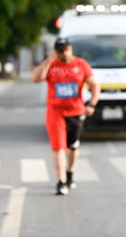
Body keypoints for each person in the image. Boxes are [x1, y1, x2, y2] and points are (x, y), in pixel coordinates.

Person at [32, 37, 100, 195]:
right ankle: (61, 181)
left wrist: (91, 104)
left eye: (66, 49)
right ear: (56, 51)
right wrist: (49, 60)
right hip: (55, 112)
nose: (64, 53)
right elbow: (36, 78)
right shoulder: (51, 64)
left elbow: (95, 85)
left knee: (73, 147)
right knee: (58, 147)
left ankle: (70, 172)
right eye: (60, 50)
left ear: (71, 49)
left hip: (76, 111)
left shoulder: (81, 64)